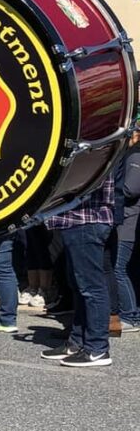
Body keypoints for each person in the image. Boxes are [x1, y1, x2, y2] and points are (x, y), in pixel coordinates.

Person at [42, 175, 117, 366]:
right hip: (76, 221)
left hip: (86, 220)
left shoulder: (95, 149)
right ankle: (77, 342)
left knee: (92, 288)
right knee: (78, 286)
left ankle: (97, 349)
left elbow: (76, 183)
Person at [114, 129, 140, 331]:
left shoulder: (135, 157)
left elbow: (131, 189)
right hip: (123, 222)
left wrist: (110, 189)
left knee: (119, 269)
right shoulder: (129, 155)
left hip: (128, 222)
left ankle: (130, 316)